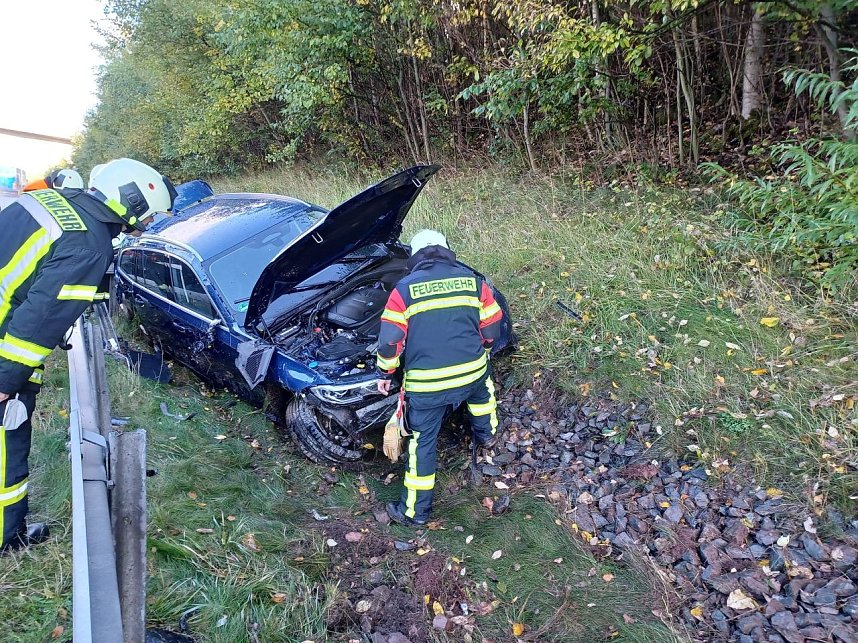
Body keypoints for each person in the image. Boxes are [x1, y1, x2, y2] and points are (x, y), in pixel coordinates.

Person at [0, 158, 176, 552]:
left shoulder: (50, 201)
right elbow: (39, 320)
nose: (140, 225)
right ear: (131, 201)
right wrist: (6, 380)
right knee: (6, 446)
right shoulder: (89, 244)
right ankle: (7, 537)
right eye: (143, 217)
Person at [376, 229, 504, 525]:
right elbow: (493, 323)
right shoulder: (474, 283)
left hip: (427, 387)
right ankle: (487, 436)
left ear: (414, 256)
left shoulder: (404, 290)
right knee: (483, 397)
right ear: (447, 250)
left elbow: (390, 341)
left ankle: (415, 513)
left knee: (422, 444)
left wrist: (386, 372)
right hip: (472, 374)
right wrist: (482, 347)